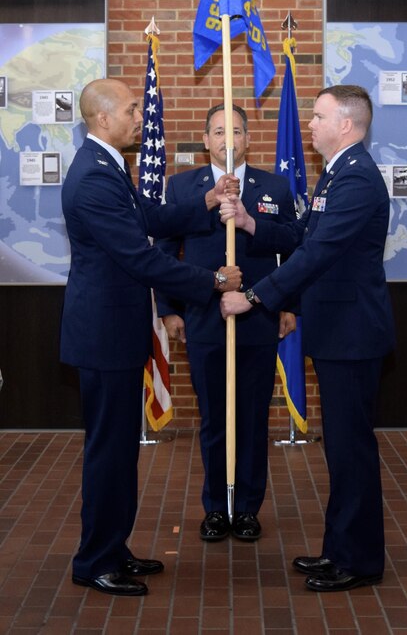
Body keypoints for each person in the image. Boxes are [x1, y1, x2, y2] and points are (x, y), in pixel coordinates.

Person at [60, 78, 241, 597]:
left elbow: (150, 218)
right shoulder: (92, 178)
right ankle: (94, 559)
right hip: (102, 336)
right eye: (132, 109)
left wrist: (205, 199)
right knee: (108, 452)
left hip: (115, 331)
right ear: (102, 119)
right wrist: (211, 281)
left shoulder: (110, 165)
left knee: (119, 451)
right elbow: (139, 256)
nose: (141, 116)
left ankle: (113, 548)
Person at [220, 85, 395, 592]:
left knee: (350, 449)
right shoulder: (336, 174)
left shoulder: (357, 179)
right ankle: (339, 548)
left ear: (347, 124)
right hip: (339, 332)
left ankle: (358, 561)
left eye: (317, 117)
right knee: (339, 447)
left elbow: (317, 257)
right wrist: (253, 223)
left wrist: (252, 297)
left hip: (353, 334)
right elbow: (303, 237)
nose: (310, 125)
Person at [155, 103, 296, 542]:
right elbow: (163, 253)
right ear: (205, 140)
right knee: (215, 417)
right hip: (203, 318)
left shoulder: (273, 186)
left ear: (248, 138)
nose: (226, 139)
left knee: (253, 418)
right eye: (218, 131)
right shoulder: (182, 188)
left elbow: (294, 248)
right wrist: (169, 309)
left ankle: (249, 506)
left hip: (259, 316)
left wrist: (288, 304)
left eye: (235, 130)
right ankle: (217, 506)